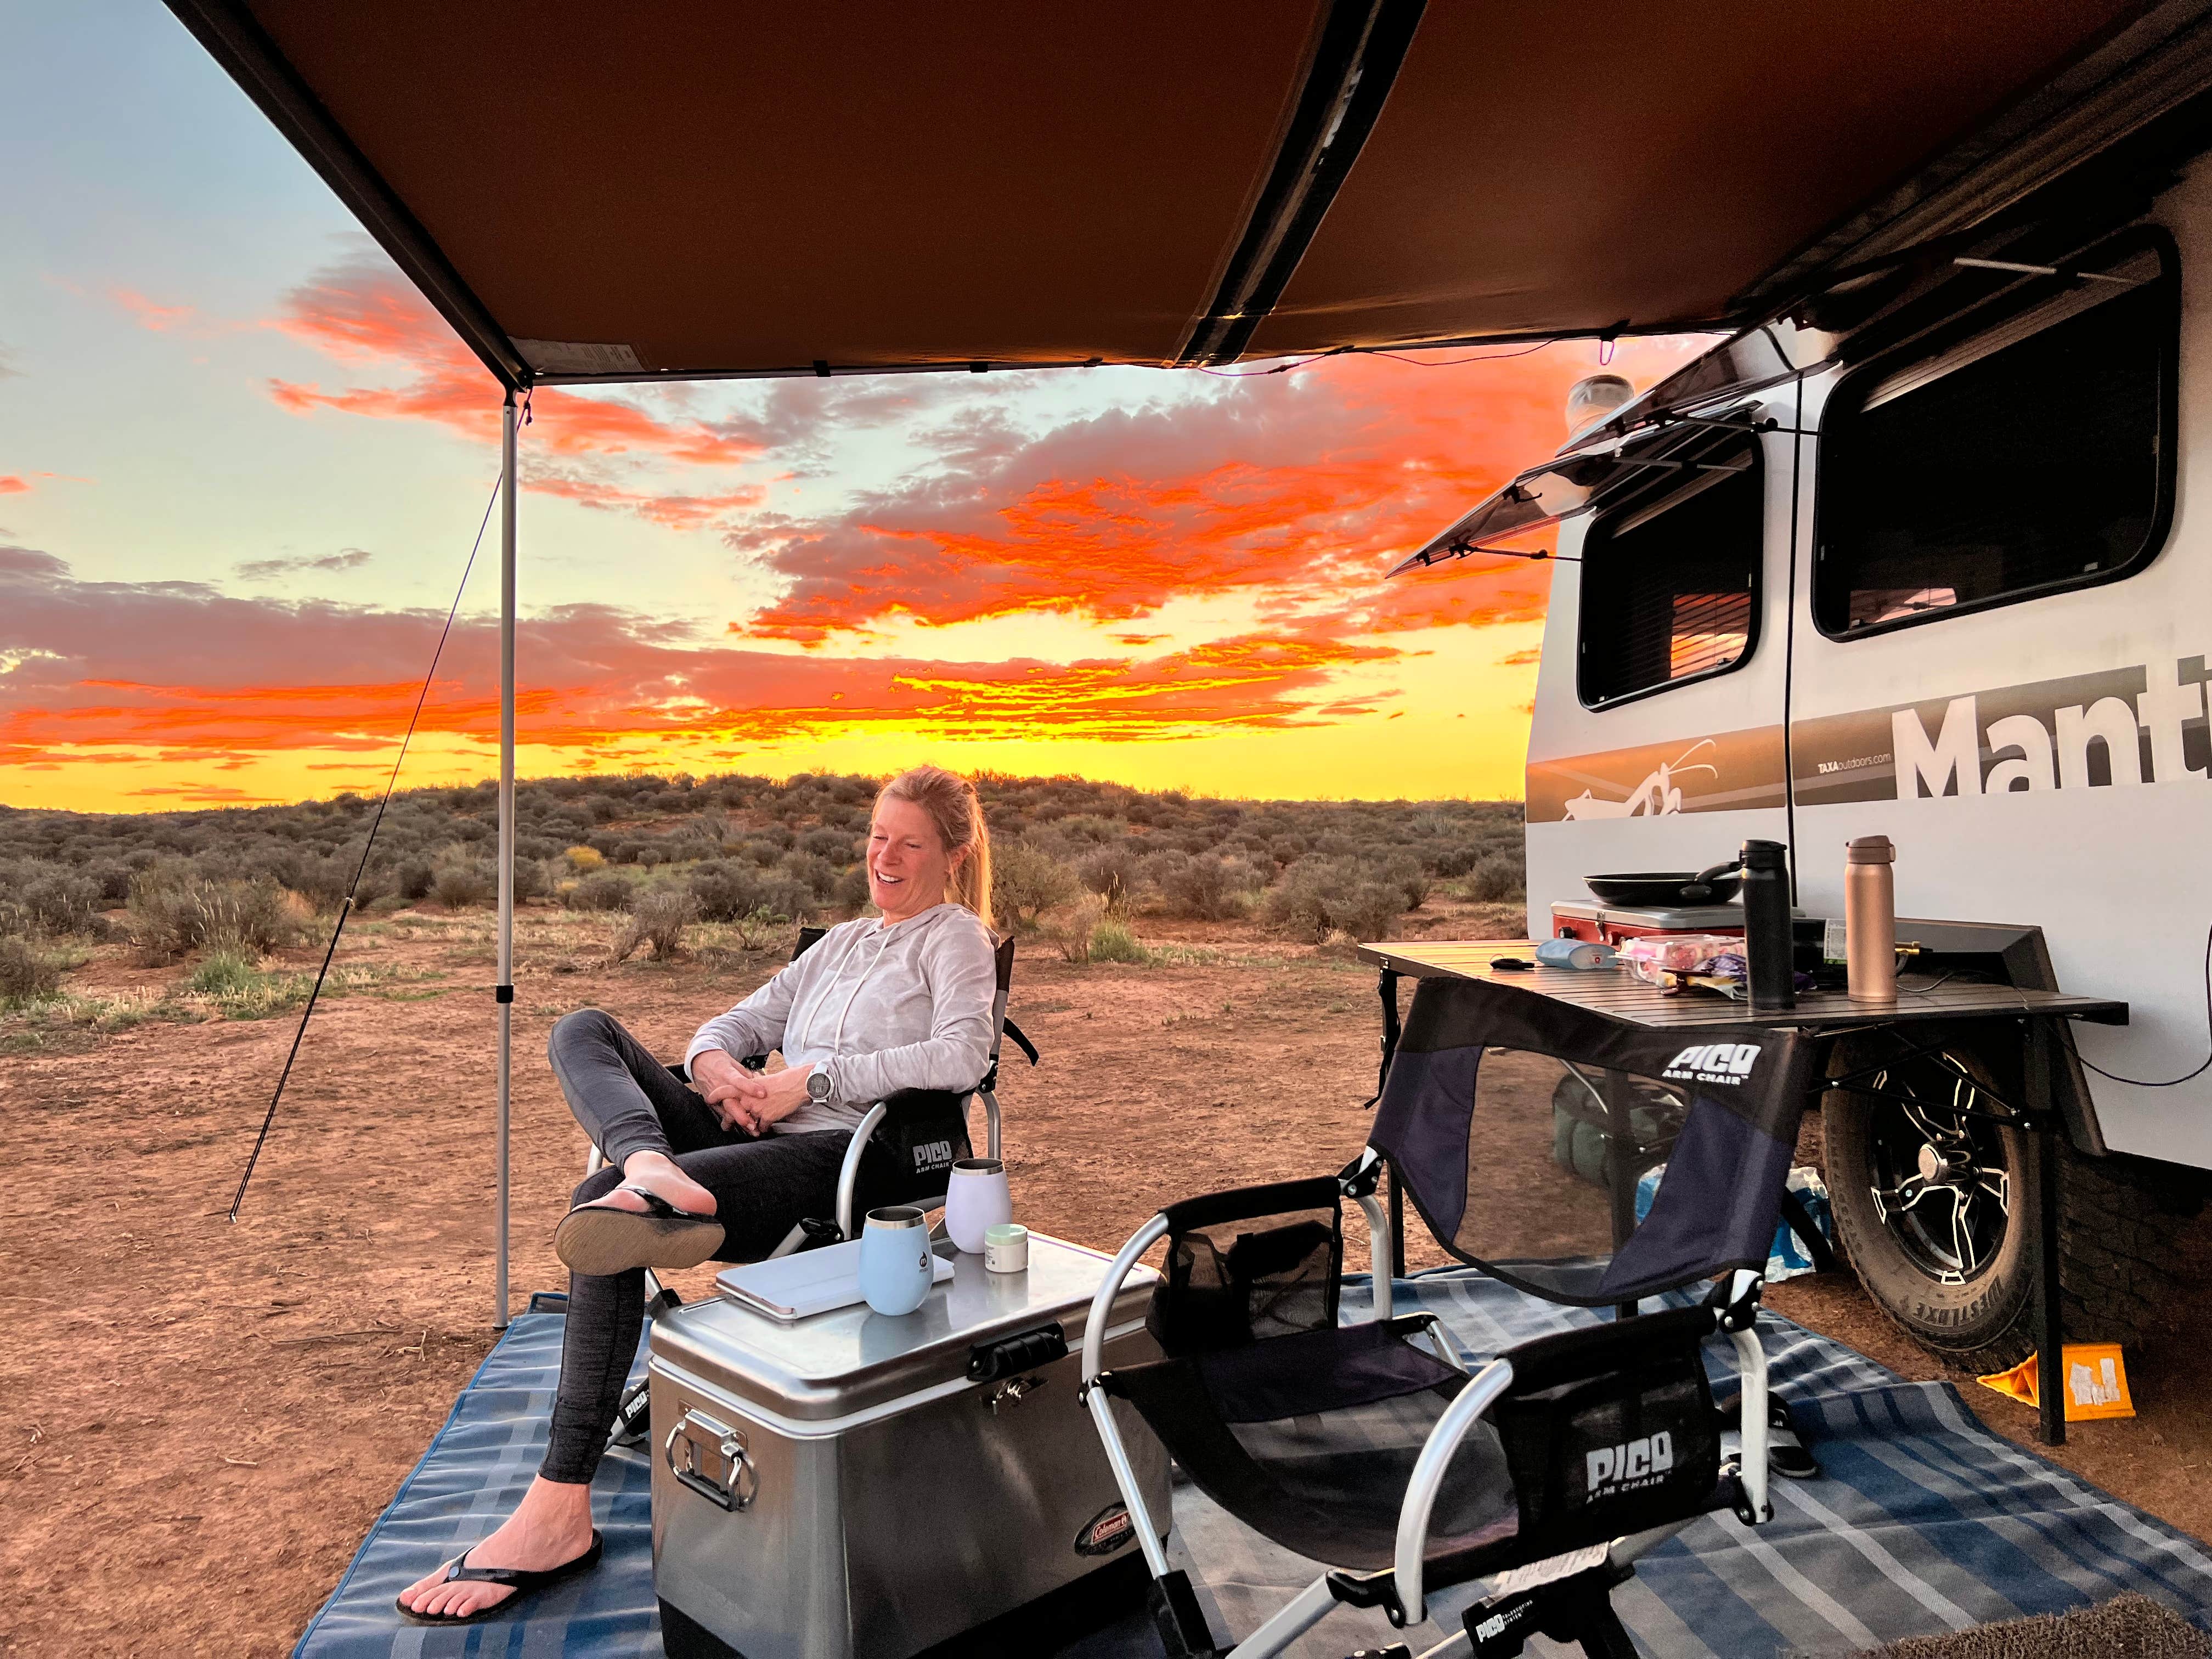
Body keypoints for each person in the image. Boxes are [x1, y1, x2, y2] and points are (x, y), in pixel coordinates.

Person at [398, 764, 998, 1625]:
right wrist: (720, 1068)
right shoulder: (835, 944)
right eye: (877, 835)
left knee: (599, 1203)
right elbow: (732, 1025)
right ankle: (651, 1164)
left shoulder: (955, 939)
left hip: (847, 1155)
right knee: (586, 1029)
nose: (885, 856)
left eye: (909, 843)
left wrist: (809, 1080)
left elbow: (961, 1057)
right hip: (751, 1130)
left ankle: (559, 1508)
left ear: (952, 853)